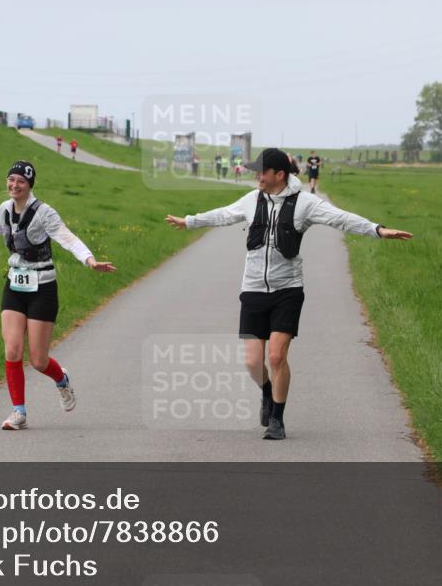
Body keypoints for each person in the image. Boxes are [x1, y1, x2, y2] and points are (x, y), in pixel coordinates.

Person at [164, 148, 412, 440]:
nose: (256, 175)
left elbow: (339, 218)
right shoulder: (252, 199)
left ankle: (277, 420)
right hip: (253, 289)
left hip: (288, 290)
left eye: (261, 171)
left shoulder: (305, 203)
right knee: (253, 363)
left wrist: (377, 230)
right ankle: (267, 393)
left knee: (276, 356)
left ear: (278, 175)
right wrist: (189, 221)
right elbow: (223, 215)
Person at [0, 160, 116, 430]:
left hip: (43, 287)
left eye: (21, 181)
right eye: (11, 180)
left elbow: (67, 237)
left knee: (39, 360)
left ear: (30, 185)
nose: (14, 185)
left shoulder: (44, 213)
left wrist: (89, 260)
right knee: (12, 349)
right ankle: (18, 412)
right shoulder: (4, 211)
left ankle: (62, 380)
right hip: (15, 285)